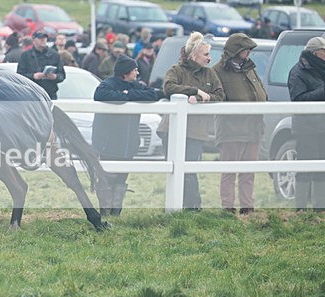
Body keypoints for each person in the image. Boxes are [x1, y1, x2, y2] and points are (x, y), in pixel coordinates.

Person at [157, 32, 225, 210]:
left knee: (190, 169)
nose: (209, 59)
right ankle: (178, 205)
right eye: (206, 54)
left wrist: (203, 98)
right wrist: (193, 91)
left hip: (195, 131)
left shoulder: (209, 74)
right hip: (171, 129)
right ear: (194, 55)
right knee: (174, 170)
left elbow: (220, 95)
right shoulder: (176, 70)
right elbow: (169, 87)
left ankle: (193, 206)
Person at [92, 55, 163, 215]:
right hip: (108, 143)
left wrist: (128, 94)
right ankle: (105, 211)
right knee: (107, 178)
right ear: (125, 72)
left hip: (128, 143)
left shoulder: (135, 85)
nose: (137, 73)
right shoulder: (107, 84)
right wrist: (127, 95)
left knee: (121, 178)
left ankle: (116, 212)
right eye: (134, 70)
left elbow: (153, 95)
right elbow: (100, 95)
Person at [212, 33, 267, 215]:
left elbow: (261, 93)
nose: (248, 53)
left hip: (253, 129)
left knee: (249, 172)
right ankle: (227, 208)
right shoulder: (218, 71)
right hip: (231, 130)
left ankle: (247, 208)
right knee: (229, 171)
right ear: (236, 51)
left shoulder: (250, 69)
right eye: (245, 50)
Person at [287, 36, 325, 210]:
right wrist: (322, 92)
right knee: (305, 168)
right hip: (307, 128)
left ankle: (319, 208)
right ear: (315, 53)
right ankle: (300, 209)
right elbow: (298, 99)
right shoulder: (297, 72)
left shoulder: (320, 69)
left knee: (322, 169)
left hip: (322, 127)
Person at [16, 30, 65, 100]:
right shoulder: (26, 55)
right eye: (40, 38)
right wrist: (33, 76)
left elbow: (62, 75)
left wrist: (55, 77)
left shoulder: (54, 55)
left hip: (50, 95)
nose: (43, 40)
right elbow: (19, 75)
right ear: (34, 40)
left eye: (45, 38)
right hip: (31, 95)